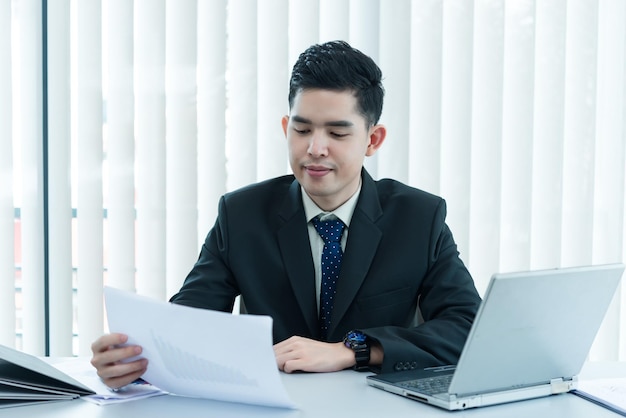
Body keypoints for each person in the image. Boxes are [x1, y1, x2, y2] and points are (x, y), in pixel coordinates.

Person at [91, 40, 482, 390]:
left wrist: (352, 351)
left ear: (372, 140)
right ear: (286, 128)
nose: (315, 148)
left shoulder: (419, 217)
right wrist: (133, 362)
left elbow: (468, 329)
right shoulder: (241, 215)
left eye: (337, 133)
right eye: (302, 129)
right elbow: (190, 325)